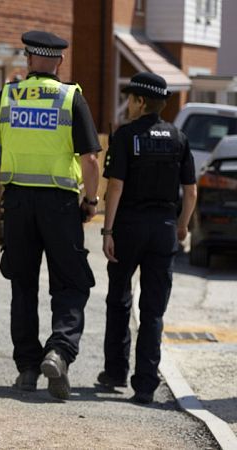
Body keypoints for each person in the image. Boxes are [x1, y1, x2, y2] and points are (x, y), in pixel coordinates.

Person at [0, 30, 101, 399]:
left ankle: (27, 368)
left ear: (28, 59)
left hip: (18, 205)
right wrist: (91, 201)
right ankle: (59, 351)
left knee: (23, 285)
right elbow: (90, 160)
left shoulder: (8, 96)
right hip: (60, 205)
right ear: (60, 61)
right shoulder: (70, 97)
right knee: (71, 283)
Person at [97, 72, 197, 404]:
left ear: (141, 102)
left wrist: (107, 230)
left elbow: (115, 186)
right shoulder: (179, 138)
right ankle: (145, 386)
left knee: (119, 299)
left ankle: (115, 372)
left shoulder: (126, 136)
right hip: (163, 228)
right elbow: (191, 191)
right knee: (153, 310)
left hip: (129, 227)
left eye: (130, 99)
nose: (128, 104)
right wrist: (182, 225)